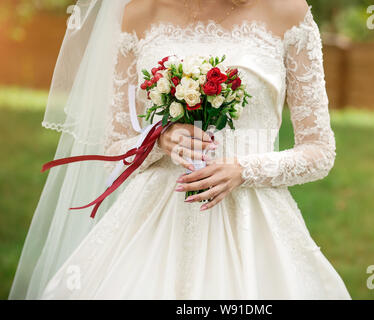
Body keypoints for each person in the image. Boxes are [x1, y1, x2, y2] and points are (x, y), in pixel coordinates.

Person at [10, 0, 351, 299]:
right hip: (154, 214)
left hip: (253, 218)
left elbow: (319, 151)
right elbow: (114, 146)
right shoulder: (138, 14)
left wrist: (243, 170)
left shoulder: (288, 12)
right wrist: (157, 140)